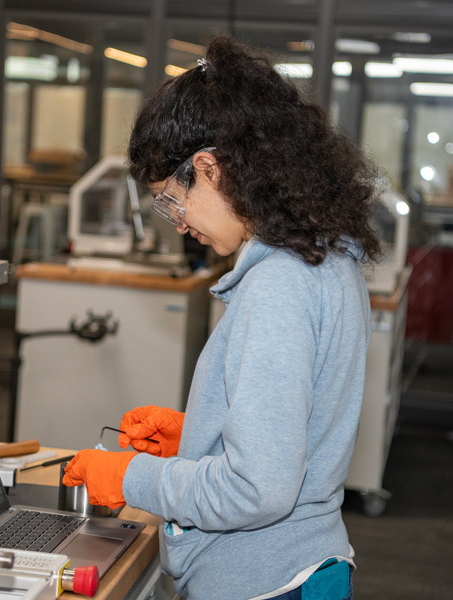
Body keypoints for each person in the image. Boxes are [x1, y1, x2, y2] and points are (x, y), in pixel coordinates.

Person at [61, 35, 382, 600]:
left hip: (263, 578)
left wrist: (129, 475)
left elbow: (256, 489)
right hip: (307, 563)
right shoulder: (327, 256)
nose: (178, 223)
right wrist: (196, 436)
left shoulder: (279, 284)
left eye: (171, 199)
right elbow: (296, 434)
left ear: (209, 168)